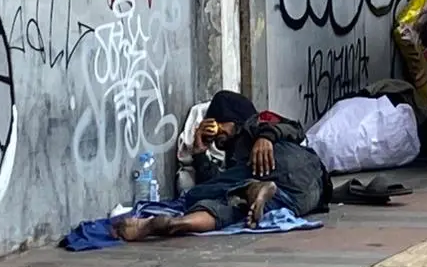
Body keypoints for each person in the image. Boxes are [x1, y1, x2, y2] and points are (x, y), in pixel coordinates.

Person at [112, 90, 331, 240]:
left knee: (196, 195)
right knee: (238, 207)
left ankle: (246, 190)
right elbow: (217, 184)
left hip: (292, 162)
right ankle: (175, 224)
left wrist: (266, 136)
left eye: (220, 122)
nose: (216, 130)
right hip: (303, 195)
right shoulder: (235, 157)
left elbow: (295, 128)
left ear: (234, 120)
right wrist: (199, 152)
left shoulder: (253, 126)